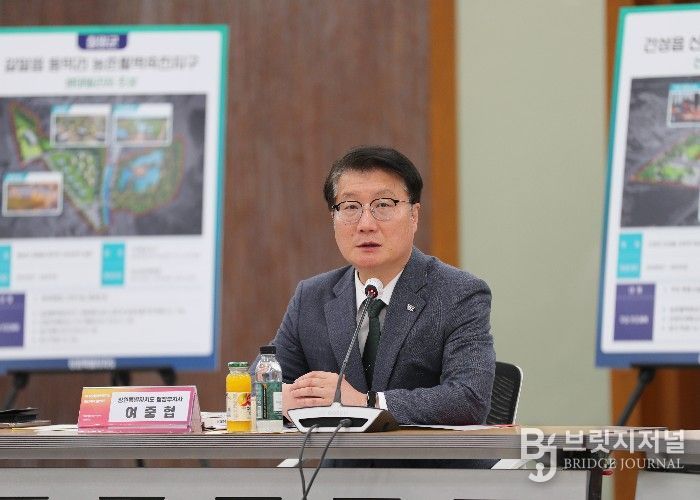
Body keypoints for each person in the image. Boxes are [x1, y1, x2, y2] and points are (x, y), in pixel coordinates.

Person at [273, 146, 495, 425]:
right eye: (351, 207)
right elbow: (262, 381)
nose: (365, 224)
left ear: (414, 215)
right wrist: (279, 398)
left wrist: (367, 403)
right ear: (333, 218)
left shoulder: (458, 294)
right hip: (333, 455)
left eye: (383, 205)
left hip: (425, 455)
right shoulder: (311, 297)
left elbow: (469, 399)